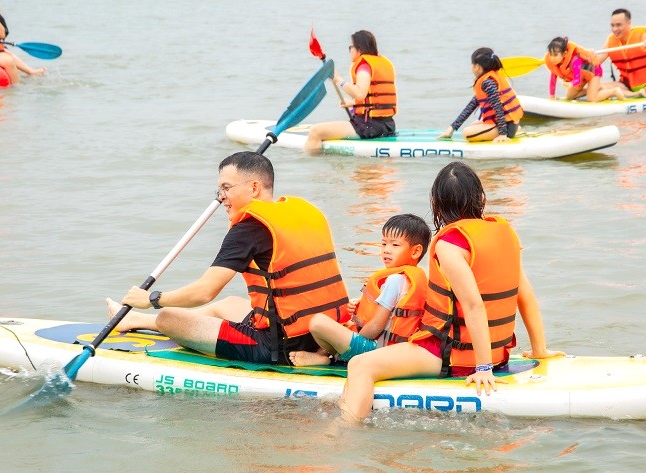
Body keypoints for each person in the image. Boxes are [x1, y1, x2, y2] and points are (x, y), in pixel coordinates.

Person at [338, 161, 564, 423]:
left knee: (360, 366)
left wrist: (482, 368)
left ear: (436, 204)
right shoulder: (505, 233)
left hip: (449, 354)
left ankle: (342, 432)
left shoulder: (450, 244)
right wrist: (539, 350)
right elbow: (524, 294)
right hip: (497, 352)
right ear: (481, 198)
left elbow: (474, 306)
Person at [108, 151, 350, 365]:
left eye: (226, 188)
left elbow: (204, 292)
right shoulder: (303, 211)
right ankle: (134, 320)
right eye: (220, 190)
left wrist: (152, 298)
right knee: (228, 304)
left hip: (279, 347)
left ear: (254, 188)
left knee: (168, 318)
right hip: (324, 334)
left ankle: (146, 315)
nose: (221, 197)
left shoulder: (249, 228)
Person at [289, 213, 431, 367]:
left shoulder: (395, 280)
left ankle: (327, 356)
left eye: (395, 245)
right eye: (384, 244)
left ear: (416, 251)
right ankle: (326, 355)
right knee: (342, 323)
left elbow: (376, 326)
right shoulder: (415, 278)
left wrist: (353, 337)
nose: (386, 250)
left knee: (317, 322)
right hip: (397, 351)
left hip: (376, 351)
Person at [304, 30, 397, 154]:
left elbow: (360, 93)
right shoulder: (380, 62)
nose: (350, 51)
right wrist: (354, 104)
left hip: (369, 127)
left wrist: (338, 79)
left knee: (315, 132)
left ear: (359, 48)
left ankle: (312, 166)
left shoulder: (364, 66)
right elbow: (372, 97)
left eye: (351, 47)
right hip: (387, 125)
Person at [438, 48, 523, 143]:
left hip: (506, 127)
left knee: (466, 133)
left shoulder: (488, 82)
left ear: (477, 67)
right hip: (509, 123)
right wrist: (451, 128)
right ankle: (514, 129)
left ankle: (509, 132)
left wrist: (502, 134)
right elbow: (470, 106)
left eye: (472, 64)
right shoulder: (488, 79)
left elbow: (498, 107)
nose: (471, 67)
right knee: (474, 125)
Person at [596, 8, 646, 97]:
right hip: (626, 85)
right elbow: (595, 62)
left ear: (629, 23)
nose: (615, 29)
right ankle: (634, 94)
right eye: (612, 25)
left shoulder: (644, 35)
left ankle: (635, 93)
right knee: (595, 87)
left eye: (618, 25)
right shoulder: (611, 42)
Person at [545, 36, 638, 102]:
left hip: (593, 71)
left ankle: (614, 91)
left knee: (592, 99)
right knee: (569, 96)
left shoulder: (575, 61)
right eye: (550, 54)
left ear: (565, 54)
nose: (552, 58)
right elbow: (553, 79)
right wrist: (552, 96)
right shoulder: (553, 63)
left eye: (555, 55)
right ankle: (595, 89)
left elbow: (577, 80)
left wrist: (571, 84)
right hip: (582, 76)